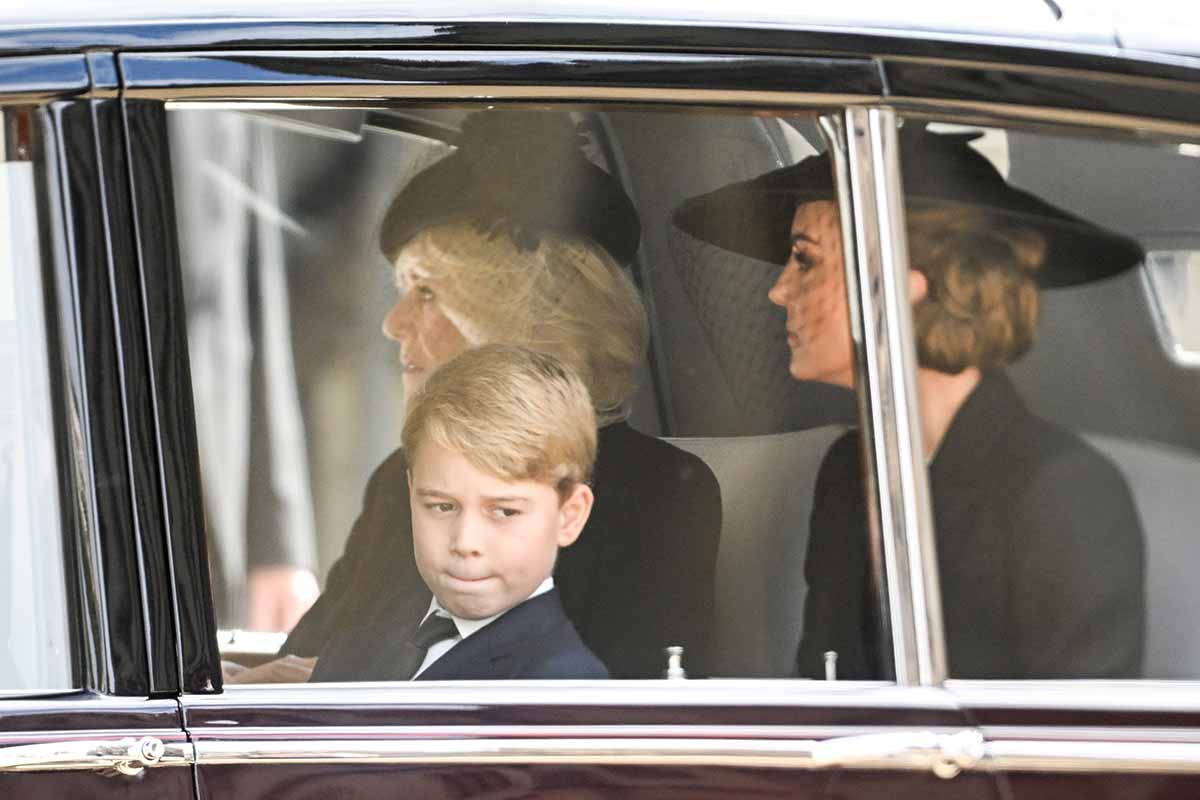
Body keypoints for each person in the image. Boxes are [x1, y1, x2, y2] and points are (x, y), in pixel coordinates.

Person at [231, 109, 720, 683]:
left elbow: (604, 731)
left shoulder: (655, 492)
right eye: (443, 506)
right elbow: (298, 663)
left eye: (429, 293)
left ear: (526, 315)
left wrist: (332, 684)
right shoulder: (400, 480)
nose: (392, 322)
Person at [673, 125, 1145, 679]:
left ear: (899, 284)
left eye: (804, 260)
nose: (777, 290)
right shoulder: (849, 472)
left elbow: (1079, 751)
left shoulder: (1062, 493)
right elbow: (828, 689)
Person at [312, 345, 609, 681]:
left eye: (505, 511)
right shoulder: (351, 652)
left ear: (569, 515)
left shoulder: (561, 686)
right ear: (411, 493)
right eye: (442, 506)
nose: (465, 542)